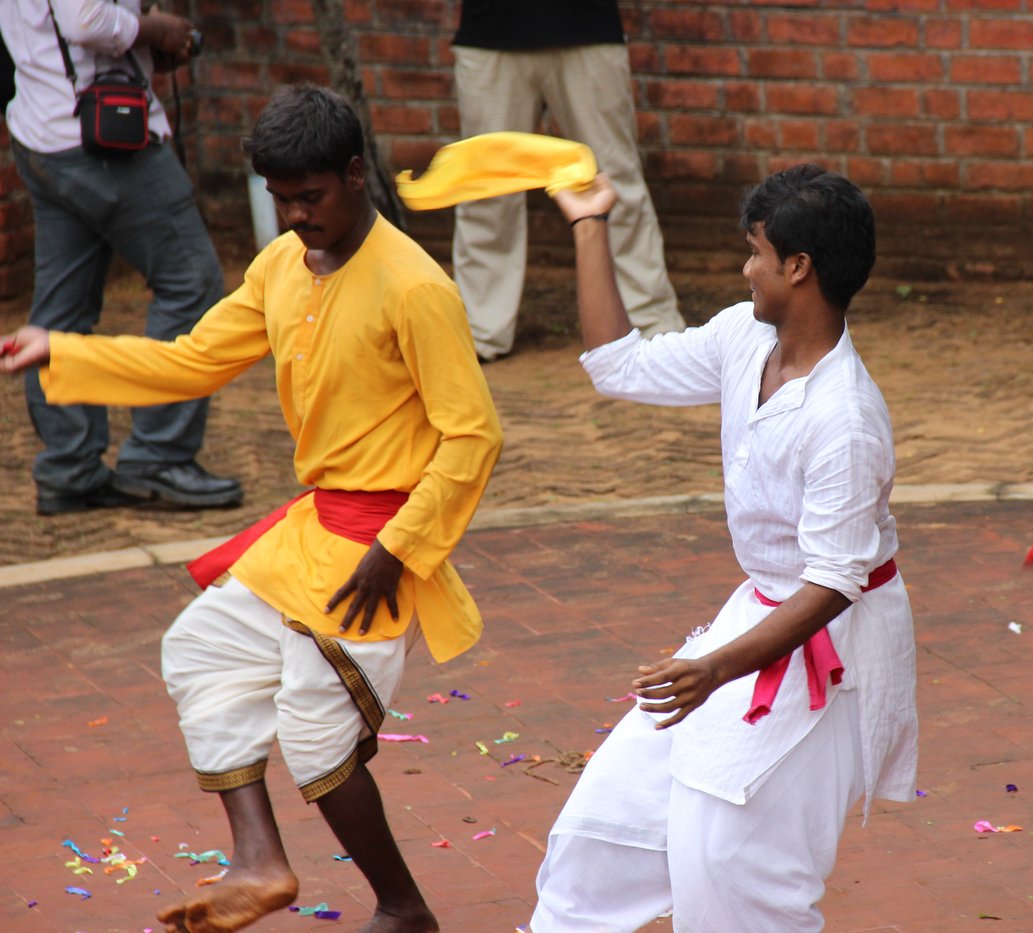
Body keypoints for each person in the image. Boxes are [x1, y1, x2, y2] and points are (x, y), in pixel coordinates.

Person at [2, 84, 503, 933]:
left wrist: (401, 548)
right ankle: (260, 860)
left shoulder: (416, 287)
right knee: (199, 647)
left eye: (312, 196)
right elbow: (195, 360)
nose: (297, 214)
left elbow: (473, 437)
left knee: (316, 744)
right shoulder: (277, 266)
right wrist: (67, 348)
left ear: (356, 175)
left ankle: (406, 909)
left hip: (374, 555)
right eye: (282, 198)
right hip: (308, 537)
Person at [526, 164, 918, 931]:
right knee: (603, 822)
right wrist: (588, 221)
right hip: (755, 621)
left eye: (755, 253)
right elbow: (619, 365)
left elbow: (836, 582)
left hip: (828, 646)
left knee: (731, 871)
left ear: (797, 268)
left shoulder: (846, 418)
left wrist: (713, 667)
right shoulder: (746, 336)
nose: (746, 269)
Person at [0, 0, 243, 514]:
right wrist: (153, 28)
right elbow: (85, 20)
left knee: (61, 311)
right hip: (106, 138)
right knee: (192, 283)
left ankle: (70, 468)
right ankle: (157, 457)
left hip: (45, 130)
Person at [450, 0, 685, 361]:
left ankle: (653, 324)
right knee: (486, 188)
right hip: (490, 29)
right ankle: (478, 330)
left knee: (614, 181)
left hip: (587, 24)